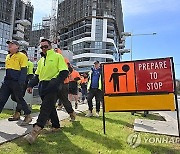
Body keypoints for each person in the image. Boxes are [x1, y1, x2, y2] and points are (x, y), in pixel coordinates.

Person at [24, 39, 69, 144]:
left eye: (46, 46)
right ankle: (56, 126)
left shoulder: (58, 57)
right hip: (42, 87)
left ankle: (36, 130)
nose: (43, 49)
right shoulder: (41, 61)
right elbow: (37, 76)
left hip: (53, 86)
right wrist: (30, 85)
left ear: (50, 47)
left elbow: (64, 72)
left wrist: (55, 82)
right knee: (50, 107)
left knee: (44, 108)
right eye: (42, 47)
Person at [0, 40, 32, 125]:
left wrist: (20, 83)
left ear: (17, 46)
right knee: (1, 99)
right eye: (8, 44)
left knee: (19, 98)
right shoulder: (8, 56)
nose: (9, 45)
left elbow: (24, 70)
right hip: (7, 81)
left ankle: (28, 115)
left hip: (16, 82)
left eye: (11, 44)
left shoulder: (22, 56)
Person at [8, 49, 34, 121]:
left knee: (19, 97)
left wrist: (25, 81)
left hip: (23, 83)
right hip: (15, 82)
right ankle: (25, 107)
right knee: (14, 97)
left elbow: (31, 75)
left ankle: (18, 114)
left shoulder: (29, 63)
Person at [54, 48, 76, 121]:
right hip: (54, 83)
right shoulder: (51, 60)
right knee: (51, 101)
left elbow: (70, 69)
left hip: (63, 83)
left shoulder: (64, 60)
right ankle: (48, 119)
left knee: (65, 100)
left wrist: (65, 75)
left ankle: (71, 113)